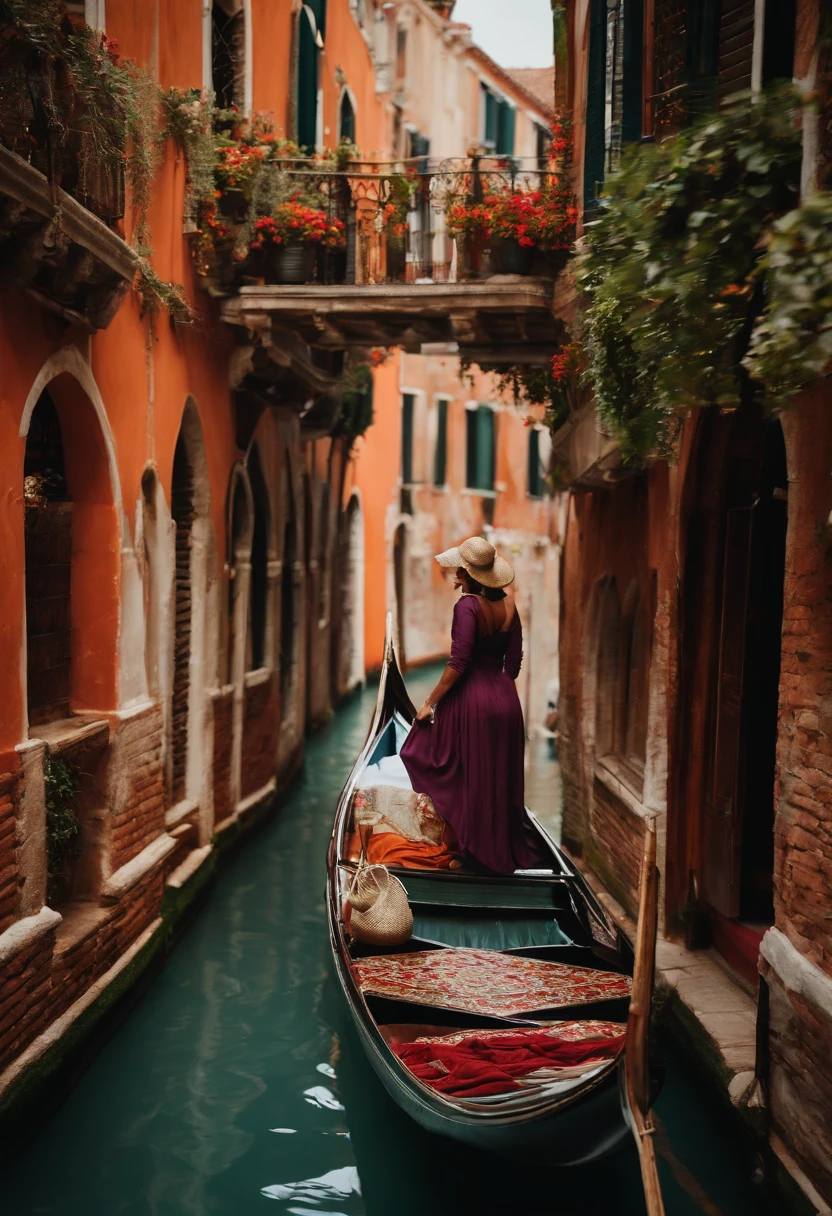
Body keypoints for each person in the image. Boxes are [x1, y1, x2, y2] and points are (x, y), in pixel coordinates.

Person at [400, 536, 545, 875]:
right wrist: (500, 688)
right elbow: (514, 662)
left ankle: (471, 851)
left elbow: (459, 662)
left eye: (459, 573)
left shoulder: (466, 607)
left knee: (450, 765)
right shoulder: (510, 606)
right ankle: (493, 846)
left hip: (472, 698)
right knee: (496, 775)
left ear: (468, 573)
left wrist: (429, 703)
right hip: (507, 700)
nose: (455, 578)